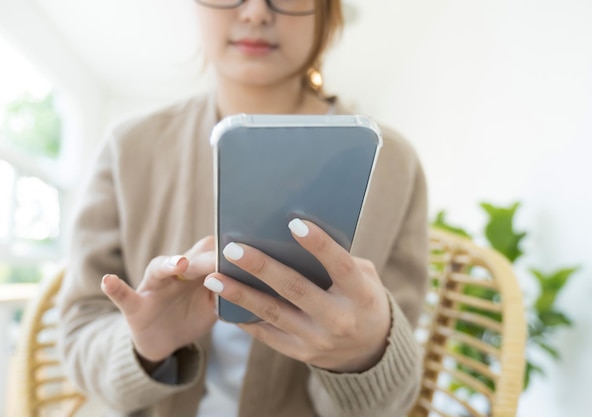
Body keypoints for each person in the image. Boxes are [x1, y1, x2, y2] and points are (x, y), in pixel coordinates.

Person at [57, 0, 429, 416]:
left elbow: (393, 401)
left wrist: (366, 356)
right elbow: (77, 332)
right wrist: (143, 347)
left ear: (328, 10)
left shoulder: (393, 165)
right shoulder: (129, 148)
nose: (255, 13)